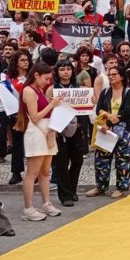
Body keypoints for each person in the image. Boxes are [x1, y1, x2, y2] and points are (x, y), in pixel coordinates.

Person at [19, 62, 63, 221]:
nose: (48, 81)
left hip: (47, 130)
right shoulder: (29, 90)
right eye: (46, 78)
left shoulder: (39, 90)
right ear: (36, 75)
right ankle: (28, 208)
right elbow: (35, 116)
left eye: (50, 79)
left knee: (45, 171)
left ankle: (46, 202)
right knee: (33, 173)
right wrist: (52, 104)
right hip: (37, 132)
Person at [88, 65, 130, 199]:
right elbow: (99, 109)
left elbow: (126, 112)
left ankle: (121, 187)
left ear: (121, 76)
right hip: (105, 130)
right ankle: (100, 186)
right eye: (110, 74)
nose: (111, 77)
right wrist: (108, 117)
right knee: (101, 159)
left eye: (115, 74)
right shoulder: (105, 92)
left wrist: (110, 122)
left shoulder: (128, 92)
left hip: (124, 129)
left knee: (123, 159)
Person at [49, 60, 85, 207]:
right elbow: (48, 109)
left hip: (77, 128)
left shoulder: (80, 88)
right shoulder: (52, 89)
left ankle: (71, 188)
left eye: (68, 69)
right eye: (62, 69)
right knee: (61, 162)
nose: (65, 72)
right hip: (59, 130)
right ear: (57, 72)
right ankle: (65, 195)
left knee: (77, 160)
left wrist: (92, 100)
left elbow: (87, 105)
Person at [7, 49, 31, 185]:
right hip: (16, 114)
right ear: (16, 63)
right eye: (22, 60)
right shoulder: (9, 78)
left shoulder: (33, 76)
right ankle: (16, 173)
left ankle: (35, 172)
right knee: (17, 145)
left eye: (27, 60)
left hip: (32, 114)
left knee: (32, 144)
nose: (25, 63)